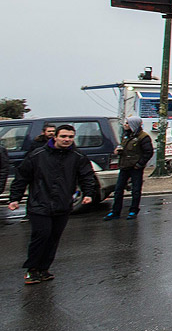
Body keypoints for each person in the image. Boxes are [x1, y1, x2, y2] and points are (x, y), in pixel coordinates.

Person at [8, 124, 95, 284]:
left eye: (70, 137)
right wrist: (15, 198)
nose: (67, 140)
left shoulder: (77, 156)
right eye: (63, 136)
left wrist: (88, 193)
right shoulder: (38, 155)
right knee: (41, 235)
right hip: (39, 203)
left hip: (62, 204)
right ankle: (32, 269)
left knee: (54, 237)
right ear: (55, 137)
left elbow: (87, 175)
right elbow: (22, 177)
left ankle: (44, 269)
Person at [104, 116, 153, 221]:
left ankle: (133, 210)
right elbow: (123, 148)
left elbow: (148, 152)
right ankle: (115, 212)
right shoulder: (126, 136)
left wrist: (139, 164)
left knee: (135, 190)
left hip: (135, 168)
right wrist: (118, 151)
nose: (125, 125)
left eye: (127, 123)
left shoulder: (143, 137)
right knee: (118, 190)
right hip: (124, 166)